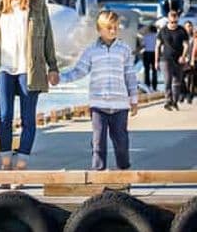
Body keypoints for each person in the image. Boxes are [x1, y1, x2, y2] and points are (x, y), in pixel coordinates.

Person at [0, 0, 59, 179]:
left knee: (28, 119)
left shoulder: (37, 4)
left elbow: (48, 38)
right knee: (5, 117)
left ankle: (21, 168)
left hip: (29, 68)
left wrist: (53, 66)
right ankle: (6, 166)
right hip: (3, 67)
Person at [59, 10, 138, 170]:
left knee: (121, 141)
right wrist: (59, 78)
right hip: (98, 105)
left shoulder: (124, 49)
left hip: (120, 105)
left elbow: (130, 75)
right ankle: (98, 172)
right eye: (109, 27)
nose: (113, 30)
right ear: (99, 29)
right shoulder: (91, 51)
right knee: (98, 142)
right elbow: (78, 71)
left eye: (116, 27)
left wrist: (134, 100)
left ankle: (123, 171)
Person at [155, 11, 189, 110]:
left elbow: (186, 45)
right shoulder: (163, 31)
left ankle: (175, 101)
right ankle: (168, 101)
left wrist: (183, 56)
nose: (174, 24)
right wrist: (156, 61)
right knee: (167, 81)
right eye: (172, 22)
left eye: (176, 22)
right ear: (168, 20)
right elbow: (157, 46)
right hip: (165, 59)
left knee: (177, 82)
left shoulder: (182, 30)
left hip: (178, 60)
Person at [141, 24, 158, 90]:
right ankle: (154, 87)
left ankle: (147, 86)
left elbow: (143, 45)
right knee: (154, 71)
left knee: (147, 71)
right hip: (154, 53)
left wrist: (135, 51)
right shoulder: (157, 36)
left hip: (147, 53)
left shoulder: (146, 36)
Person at [180, 21, 194, 103]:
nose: (189, 28)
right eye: (187, 26)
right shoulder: (181, 37)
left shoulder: (194, 37)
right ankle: (183, 93)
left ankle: (189, 95)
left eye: (190, 26)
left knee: (190, 79)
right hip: (183, 59)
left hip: (192, 59)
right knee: (181, 78)